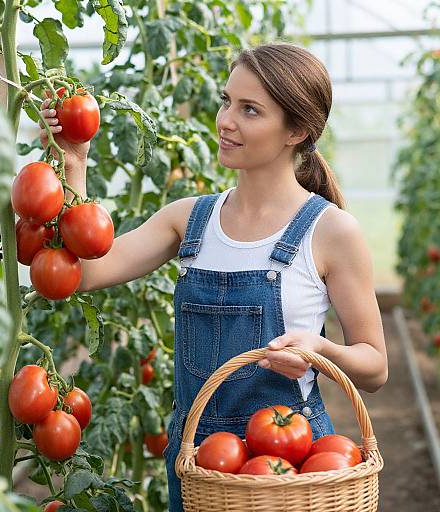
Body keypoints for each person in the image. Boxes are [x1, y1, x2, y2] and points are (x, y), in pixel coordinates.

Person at [39, 42, 388, 512]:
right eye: (227, 101)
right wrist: (75, 163)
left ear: (297, 130)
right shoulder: (190, 220)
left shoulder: (329, 231)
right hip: (199, 462)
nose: (226, 120)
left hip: (287, 464)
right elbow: (87, 273)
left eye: (250, 110)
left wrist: (321, 349)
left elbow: (375, 367)